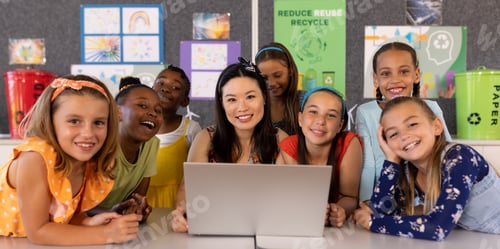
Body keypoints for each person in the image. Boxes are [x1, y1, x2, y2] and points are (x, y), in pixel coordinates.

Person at [0, 75, 143, 245]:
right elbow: (38, 231)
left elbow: (62, 217)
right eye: (74, 121)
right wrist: (106, 234)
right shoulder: (34, 159)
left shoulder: (86, 160)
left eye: (98, 122)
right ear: (50, 123)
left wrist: (88, 223)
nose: (88, 133)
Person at [353, 96, 500, 241]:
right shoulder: (410, 173)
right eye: (393, 134)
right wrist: (391, 160)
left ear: (436, 126)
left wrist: (373, 223)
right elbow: (380, 211)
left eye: (412, 124)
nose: (404, 136)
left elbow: (438, 228)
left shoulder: (460, 157)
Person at [170, 57, 288, 232]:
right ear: (222, 103)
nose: (242, 107)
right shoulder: (206, 138)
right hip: (215, 230)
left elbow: (288, 196)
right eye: (232, 99)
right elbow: (188, 189)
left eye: (250, 97)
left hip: (267, 231)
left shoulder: (280, 139)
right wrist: (181, 212)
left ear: (264, 97)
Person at [356, 41, 452, 202]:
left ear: (416, 75)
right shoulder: (365, 113)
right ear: (375, 79)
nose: (395, 80)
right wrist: (366, 202)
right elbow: (368, 165)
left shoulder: (430, 107)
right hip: (388, 198)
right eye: (386, 73)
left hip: (431, 199)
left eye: (404, 71)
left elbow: (446, 152)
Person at [277, 86, 363, 227]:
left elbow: (349, 197)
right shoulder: (289, 147)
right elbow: (284, 198)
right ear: (300, 118)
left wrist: (338, 211)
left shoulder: (349, 143)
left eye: (331, 115)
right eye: (313, 112)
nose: (320, 121)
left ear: (340, 125)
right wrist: (309, 213)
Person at [92, 76, 162, 221]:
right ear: (117, 112)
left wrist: (136, 209)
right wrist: (110, 213)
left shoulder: (151, 144)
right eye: (142, 105)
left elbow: (137, 198)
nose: (153, 113)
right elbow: (74, 205)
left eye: (158, 110)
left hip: (114, 227)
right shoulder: (99, 143)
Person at [146, 65, 201, 208]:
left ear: (185, 101)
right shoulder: (138, 127)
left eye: (175, 87)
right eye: (160, 83)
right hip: (144, 202)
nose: (165, 89)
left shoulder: (191, 129)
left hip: (177, 204)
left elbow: (196, 172)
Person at [255, 42, 300, 135]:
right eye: (264, 78)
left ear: (290, 70)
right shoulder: (254, 105)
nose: (271, 83)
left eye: (277, 75)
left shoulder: (306, 101)